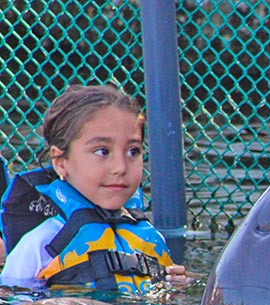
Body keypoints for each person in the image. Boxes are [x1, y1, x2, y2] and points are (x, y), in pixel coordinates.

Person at [0, 84, 188, 293]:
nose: (120, 167)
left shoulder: (151, 238)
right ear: (61, 161)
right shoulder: (40, 244)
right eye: (102, 151)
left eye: (133, 151)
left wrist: (173, 289)